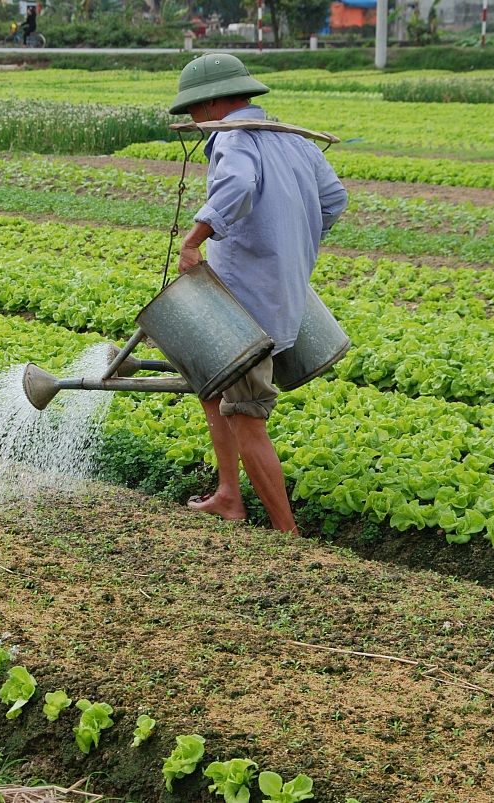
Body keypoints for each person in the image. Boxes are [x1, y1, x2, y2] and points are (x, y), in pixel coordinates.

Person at [169, 53, 348, 534]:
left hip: (245, 303)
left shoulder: (233, 137)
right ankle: (228, 495)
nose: (194, 120)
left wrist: (193, 241)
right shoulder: (294, 141)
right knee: (212, 386)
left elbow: (238, 185)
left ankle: (288, 534)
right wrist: (290, 241)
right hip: (285, 292)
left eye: (194, 109)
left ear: (213, 103)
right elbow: (334, 200)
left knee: (247, 414)